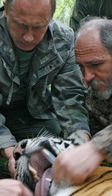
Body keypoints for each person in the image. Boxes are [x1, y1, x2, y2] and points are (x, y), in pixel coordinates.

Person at [0, 0, 90, 179]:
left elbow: (70, 100)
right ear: (6, 9)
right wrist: (10, 152)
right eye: (21, 25)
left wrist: (82, 145)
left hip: (35, 116)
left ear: (50, 18)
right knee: (8, 167)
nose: (28, 37)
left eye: (38, 27)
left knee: (56, 143)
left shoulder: (64, 40)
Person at [52, 17, 112, 185]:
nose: (86, 76)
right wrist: (79, 138)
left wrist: (97, 148)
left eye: (96, 64)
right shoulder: (93, 87)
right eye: (81, 66)